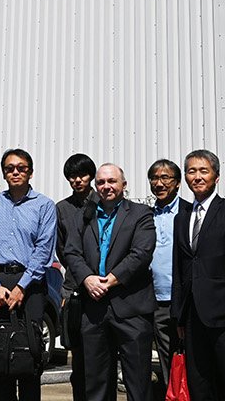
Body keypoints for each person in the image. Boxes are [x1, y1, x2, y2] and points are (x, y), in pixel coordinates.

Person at [64, 163, 156, 401]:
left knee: (138, 384)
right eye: (101, 182)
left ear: (124, 185)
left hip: (132, 309)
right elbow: (71, 252)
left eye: (112, 181)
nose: (106, 186)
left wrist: (110, 281)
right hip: (94, 310)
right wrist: (87, 278)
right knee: (97, 385)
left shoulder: (141, 214)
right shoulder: (83, 216)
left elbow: (141, 253)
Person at [0, 149, 57, 401]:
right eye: (10, 168)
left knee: (29, 355)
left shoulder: (44, 205)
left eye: (21, 168)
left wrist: (22, 287)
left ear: (30, 172)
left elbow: (44, 250)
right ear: (3, 173)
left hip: (30, 286)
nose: (15, 172)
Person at [171, 149, 225, 401]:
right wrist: (178, 314)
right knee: (199, 382)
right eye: (191, 171)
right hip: (192, 314)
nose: (197, 176)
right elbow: (179, 267)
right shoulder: (181, 217)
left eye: (203, 171)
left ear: (216, 177)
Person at [55, 153, 108, 401]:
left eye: (82, 175)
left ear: (91, 176)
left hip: (103, 286)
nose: (77, 180)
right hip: (74, 288)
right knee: (77, 355)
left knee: (102, 355)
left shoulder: (104, 201)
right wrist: (80, 273)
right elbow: (62, 248)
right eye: (72, 176)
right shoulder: (62, 208)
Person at [146, 158, 186, 399]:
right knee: (167, 362)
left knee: (193, 360)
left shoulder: (190, 211)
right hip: (156, 300)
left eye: (165, 178)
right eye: (154, 178)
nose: (159, 183)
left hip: (186, 300)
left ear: (178, 183)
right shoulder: (145, 216)